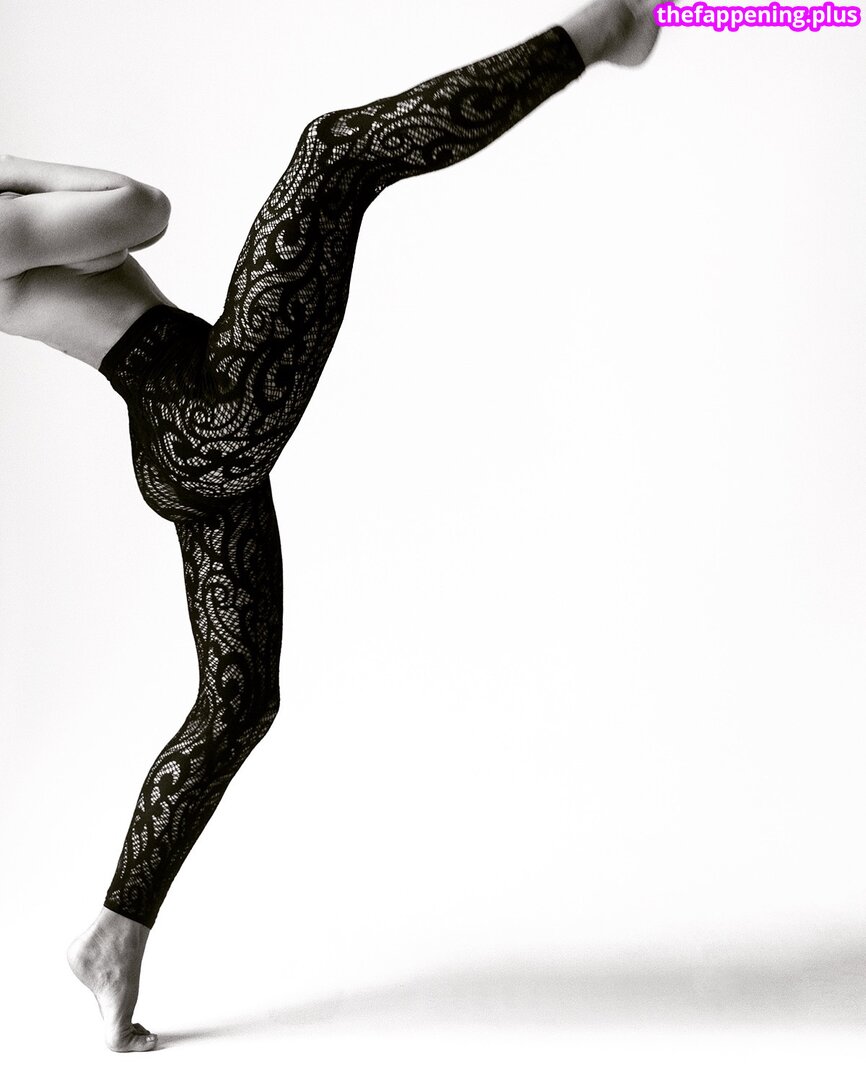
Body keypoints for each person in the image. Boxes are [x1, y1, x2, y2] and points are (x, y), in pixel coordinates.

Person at [0, 0, 659, 1052]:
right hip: (205, 411)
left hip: (189, 425)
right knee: (336, 152)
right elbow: (141, 209)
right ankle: (604, 27)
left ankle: (113, 936)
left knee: (238, 700)